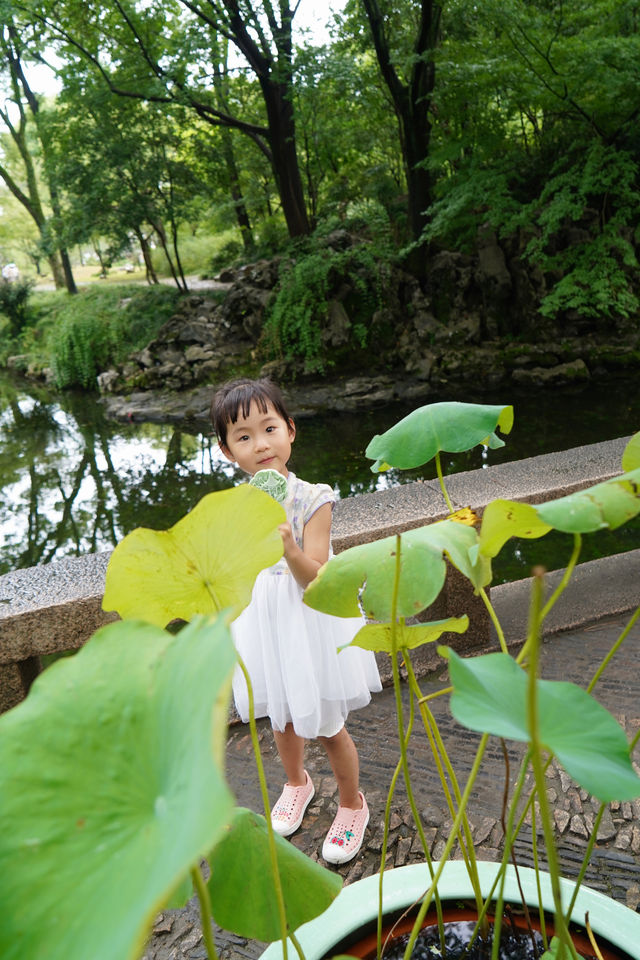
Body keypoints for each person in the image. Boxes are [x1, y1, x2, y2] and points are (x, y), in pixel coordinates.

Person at [211, 377, 382, 865]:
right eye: (244, 436)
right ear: (227, 452)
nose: (260, 444)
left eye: (269, 429)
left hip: (308, 619)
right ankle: (296, 783)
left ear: (290, 430)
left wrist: (287, 546)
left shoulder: (314, 499)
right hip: (262, 621)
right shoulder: (235, 506)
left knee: (326, 723)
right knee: (281, 716)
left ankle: (352, 804)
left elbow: (316, 578)